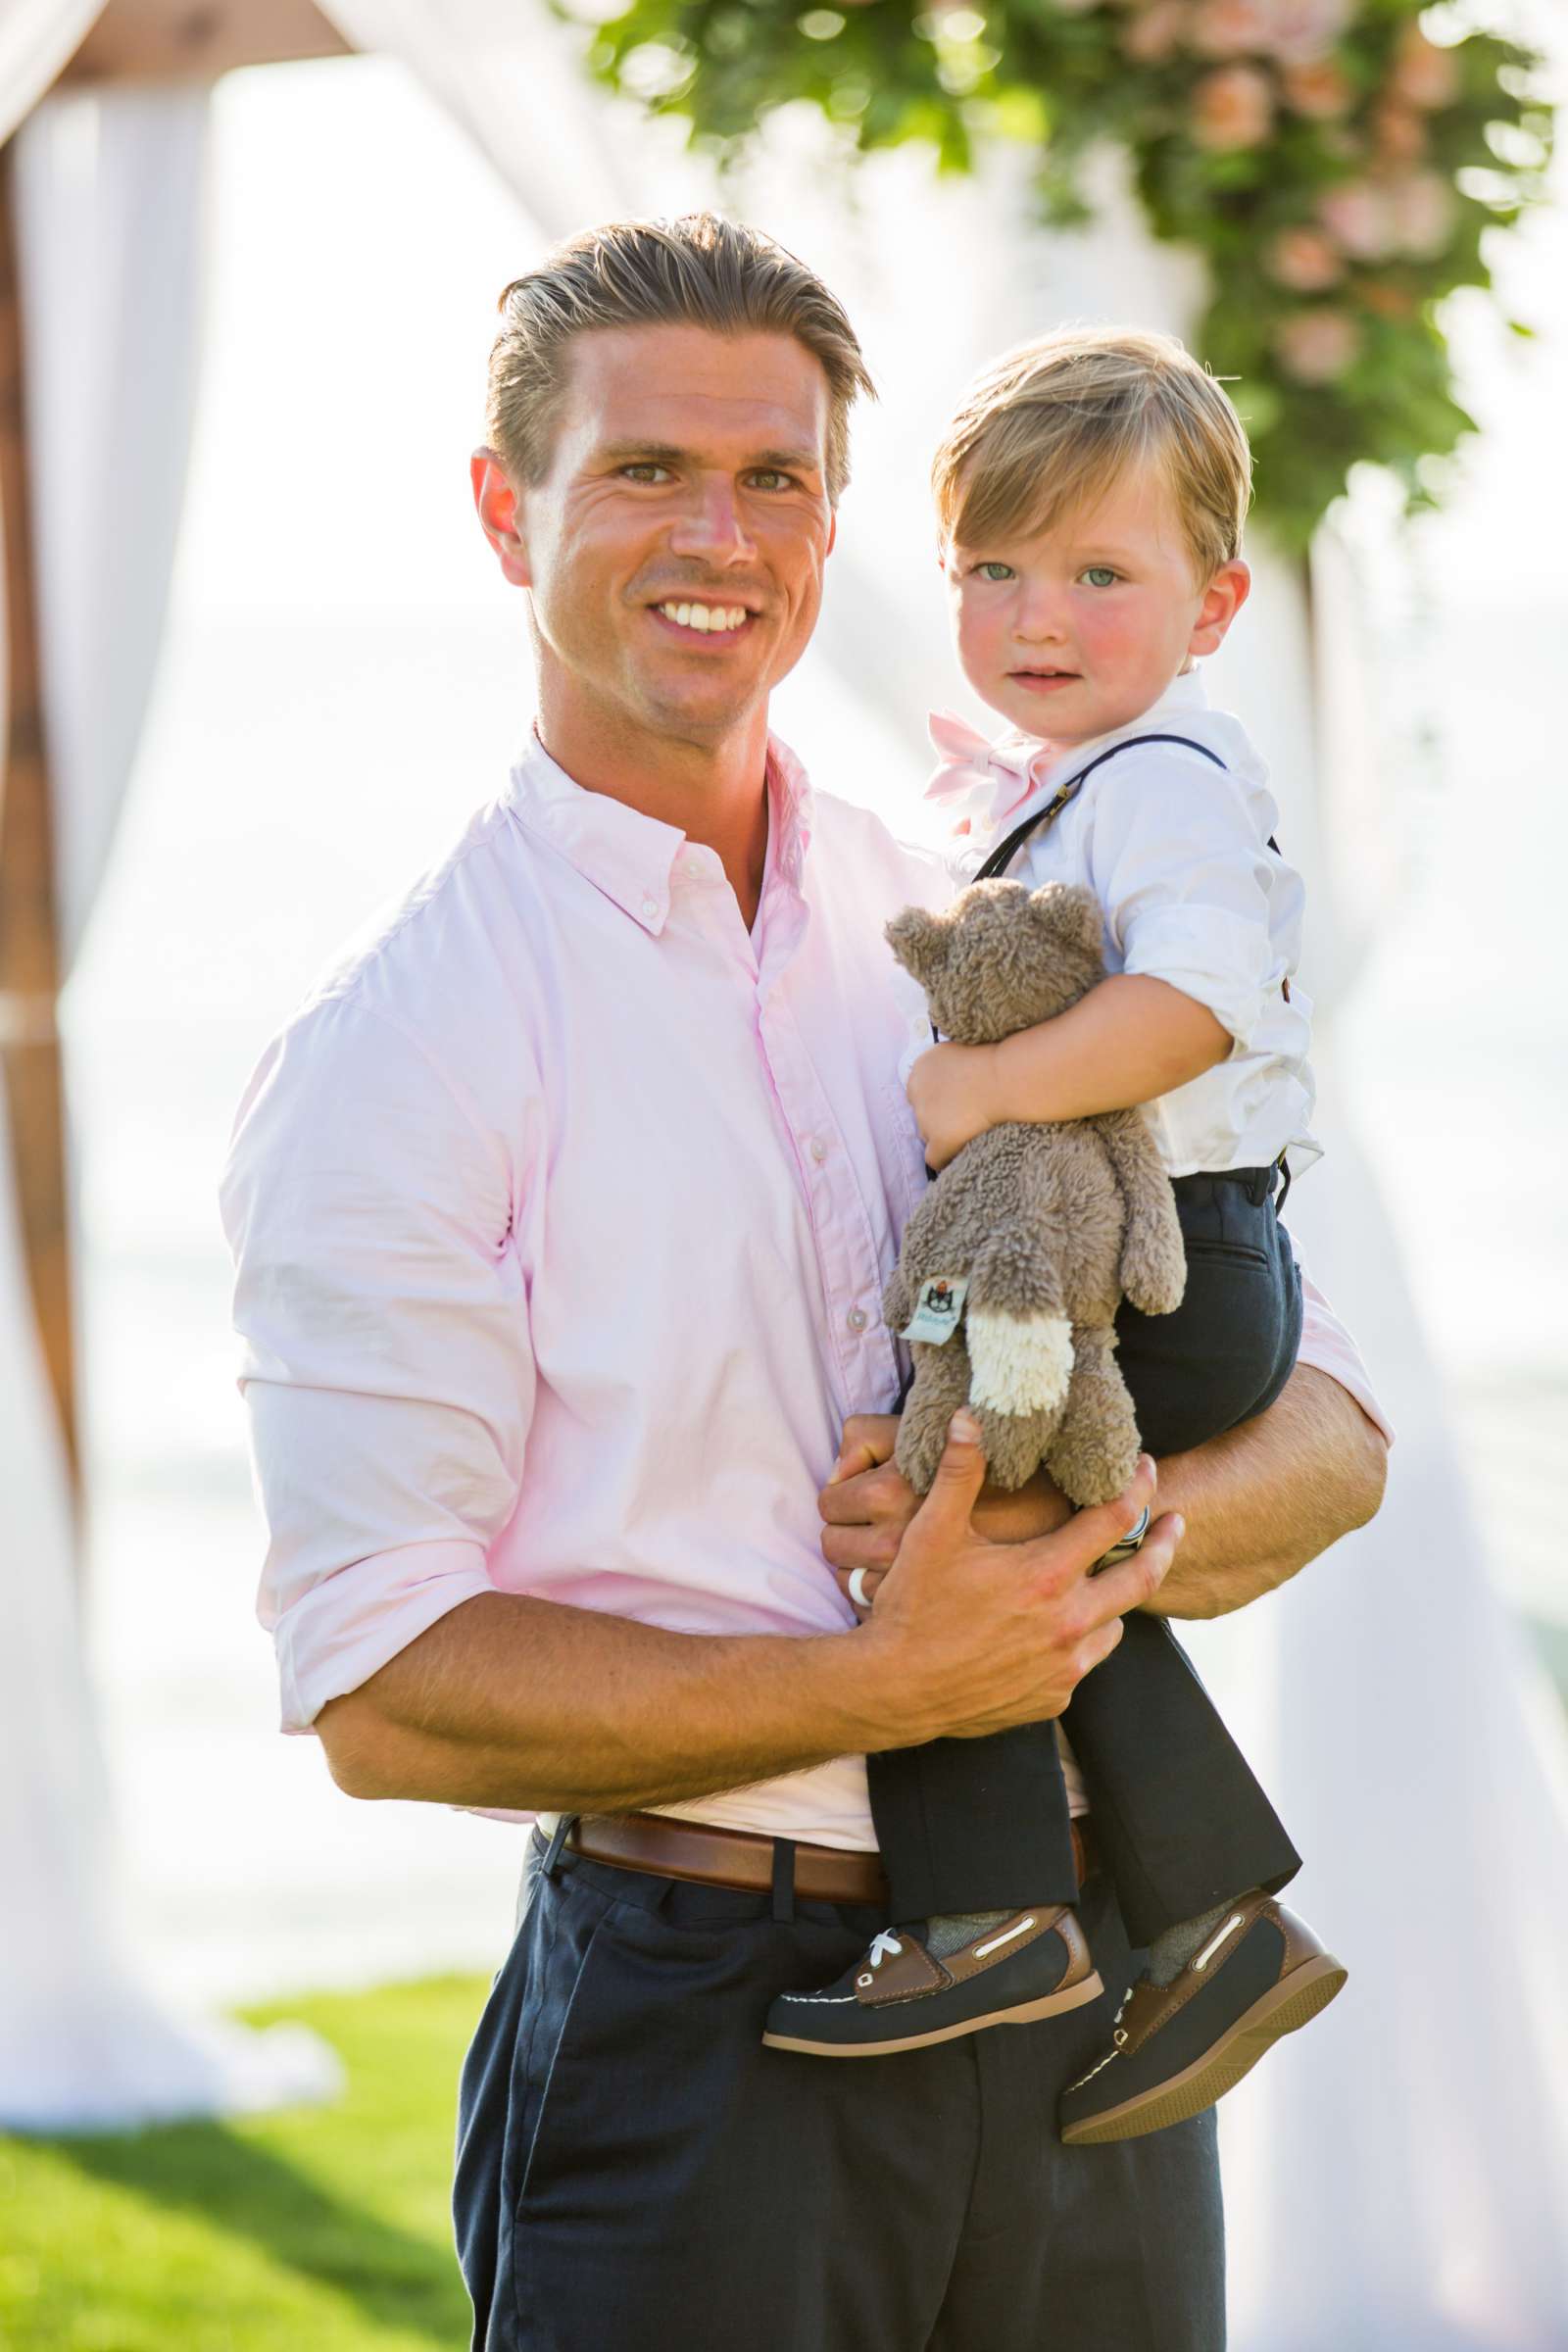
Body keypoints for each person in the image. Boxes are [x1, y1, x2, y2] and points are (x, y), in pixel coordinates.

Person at [220, 215, 1389, 2352]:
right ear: (509, 514)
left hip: (1100, 2004)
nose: (719, 534)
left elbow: (1327, 1429)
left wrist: (1096, 1564)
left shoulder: (979, 927)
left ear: (834, 523)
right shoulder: (402, 1049)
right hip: (706, 2041)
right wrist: (880, 1690)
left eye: (774, 478)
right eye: (646, 470)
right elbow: (381, 1688)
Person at [765, 327, 1346, 2151]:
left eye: (1101, 572)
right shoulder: (1087, 762)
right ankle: (1204, 1913)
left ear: (1215, 601)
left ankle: (991, 1913)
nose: (1039, 610)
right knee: (1008, 1539)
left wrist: (978, 1094)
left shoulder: (1164, 773)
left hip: (1167, 1262)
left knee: (947, 1539)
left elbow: (1196, 997)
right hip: (1149, 1252)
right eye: (993, 568)